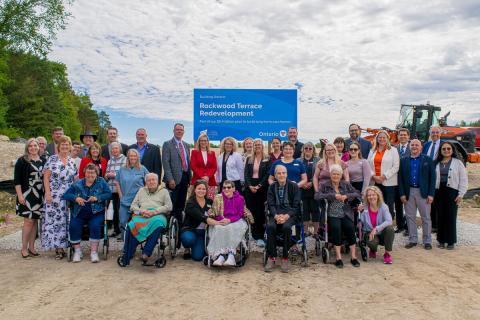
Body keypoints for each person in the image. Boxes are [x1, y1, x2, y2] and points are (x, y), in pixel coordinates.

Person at [62, 164, 112, 262]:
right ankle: (77, 251)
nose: (90, 175)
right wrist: (76, 198)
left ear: (96, 173)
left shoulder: (101, 181)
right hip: (79, 212)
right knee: (74, 225)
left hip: (96, 212)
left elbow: (108, 194)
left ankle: (94, 252)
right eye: (88, 172)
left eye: (92, 172)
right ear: (84, 173)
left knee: (95, 225)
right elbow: (66, 195)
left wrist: (97, 198)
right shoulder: (78, 183)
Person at [315, 164, 361, 268]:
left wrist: (347, 196)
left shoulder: (345, 184)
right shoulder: (325, 185)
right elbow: (317, 196)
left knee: (350, 227)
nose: (336, 176)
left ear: (341, 175)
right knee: (336, 228)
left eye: (338, 174)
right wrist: (333, 196)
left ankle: (353, 257)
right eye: (334, 174)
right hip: (331, 213)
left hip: (345, 212)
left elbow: (358, 193)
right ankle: (338, 258)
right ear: (330, 175)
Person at [121, 173, 173, 265]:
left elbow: (169, 206)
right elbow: (133, 206)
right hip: (142, 214)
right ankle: (128, 254)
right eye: (149, 180)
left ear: (158, 181)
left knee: (158, 222)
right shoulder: (141, 190)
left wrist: (155, 211)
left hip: (157, 215)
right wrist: (141, 211)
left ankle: (146, 253)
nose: (151, 182)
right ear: (146, 182)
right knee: (132, 224)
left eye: (154, 180)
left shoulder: (164, 191)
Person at [42, 135, 77, 259]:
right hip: (54, 195)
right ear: (59, 146)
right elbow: (45, 177)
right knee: (55, 221)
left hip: (68, 196)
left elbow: (75, 179)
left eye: (67, 144)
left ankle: (67, 244)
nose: (65, 146)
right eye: (63, 144)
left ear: (70, 147)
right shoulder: (52, 159)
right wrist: (48, 193)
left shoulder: (72, 161)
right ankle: (58, 248)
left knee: (66, 220)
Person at [398, 139, 436, 250]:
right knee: (410, 217)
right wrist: (402, 194)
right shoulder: (404, 160)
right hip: (408, 191)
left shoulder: (428, 160)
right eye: (412, 145)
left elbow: (432, 178)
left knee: (426, 217)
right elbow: (400, 179)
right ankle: (413, 239)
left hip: (423, 192)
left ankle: (427, 241)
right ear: (410, 147)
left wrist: (431, 194)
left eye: (417, 145)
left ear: (421, 147)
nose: (414, 146)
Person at [264, 165, 301, 273]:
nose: (281, 175)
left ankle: (285, 257)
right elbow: (270, 204)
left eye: (283, 173)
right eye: (279, 173)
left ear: (287, 174)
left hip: (290, 214)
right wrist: (275, 216)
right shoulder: (271, 187)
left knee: (286, 227)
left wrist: (286, 216)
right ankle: (272, 257)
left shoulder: (294, 186)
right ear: (275, 175)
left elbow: (296, 205)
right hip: (275, 214)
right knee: (270, 226)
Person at [207, 180, 252, 266]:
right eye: (224, 187)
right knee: (218, 228)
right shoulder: (218, 198)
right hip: (222, 219)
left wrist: (230, 220)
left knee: (231, 228)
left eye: (229, 187)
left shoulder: (240, 198)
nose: (226, 189)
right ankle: (221, 256)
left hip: (236, 220)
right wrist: (222, 220)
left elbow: (240, 214)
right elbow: (215, 213)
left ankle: (231, 255)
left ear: (233, 188)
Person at [14, 138, 46, 259]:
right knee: (28, 221)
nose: (33, 148)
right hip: (27, 194)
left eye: (35, 145)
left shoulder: (43, 160)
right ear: (27, 148)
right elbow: (17, 180)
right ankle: (23, 248)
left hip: (39, 195)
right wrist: (20, 195)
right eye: (30, 146)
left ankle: (32, 248)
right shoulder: (22, 161)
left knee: (35, 221)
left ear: (39, 147)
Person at [435, 141, 468, 250]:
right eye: (444, 149)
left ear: (452, 150)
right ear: (440, 151)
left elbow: (463, 179)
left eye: (448, 148)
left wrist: (461, 194)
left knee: (450, 216)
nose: (446, 150)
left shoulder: (458, 163)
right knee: (440, 216)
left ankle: (450, 241)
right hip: (439, 191)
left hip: (452, 191)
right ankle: (441, 240)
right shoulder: (437, 163)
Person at [116, 149, 149, 240]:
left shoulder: (142, 169)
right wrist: (120, 195)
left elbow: (149, 181)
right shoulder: (122, 169)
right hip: (125, 199)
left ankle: (137, 240)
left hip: (138, 201)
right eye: (131, 156)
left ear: (138, 157)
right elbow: (117, 182)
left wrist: (145, 193)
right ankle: (125, 240)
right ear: (128, 157)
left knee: (138, 222)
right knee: (123, 221)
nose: (133, 157)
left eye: (135, 156)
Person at [181, 180, 217, 261]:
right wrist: (217, 223)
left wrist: (212, 214)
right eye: (199, 188)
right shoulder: (190, 203)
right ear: (195, 190)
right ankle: (187, 247)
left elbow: (215, 214)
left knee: (197, 257)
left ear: (206, 190)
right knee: (189, 239)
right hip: (190, 229)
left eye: (203, 189)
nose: (201, 191)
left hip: (202, 233)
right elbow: (201, 217)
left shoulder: (210, 202)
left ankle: (199, 247)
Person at [162, 123, 191, 223]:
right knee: (172, 205)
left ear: (183, 132)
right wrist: (170, 179)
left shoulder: (186, 145)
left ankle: (179, 226)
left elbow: (188, 162)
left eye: (181, 130)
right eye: (177, 129)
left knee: (181, 204)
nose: (179, 131)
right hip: (173, 179)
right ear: (173, 131)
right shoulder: (167, 144)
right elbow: (166, 163)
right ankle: (170, 226)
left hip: (185, 177)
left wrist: (189, 178)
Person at [244, 139, 271, 247]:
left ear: (262, 146)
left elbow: (268, 174)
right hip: (250, 188)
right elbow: (246, 174)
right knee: (251, 211)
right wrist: (250, 185)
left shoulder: (267, 158)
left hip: (262, 187)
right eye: (256, 144)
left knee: (260, 212)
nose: (257, 146)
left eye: (259, 144)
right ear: (253, 146)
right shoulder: (248, 159)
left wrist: (259, 185)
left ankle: (260, 236)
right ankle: (252, 234)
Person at [367, 130, 399, 219]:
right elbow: (368, 165)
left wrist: (383, 176)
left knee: (388, 206)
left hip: (388, 182)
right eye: (379, 137)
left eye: (384, 137)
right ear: (377, 139)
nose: (381, 139)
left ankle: (389, 227)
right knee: (376, 205)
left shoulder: (393, 150)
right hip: (375, 182)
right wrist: (373, 176)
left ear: (387, 139)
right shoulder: (372, 150)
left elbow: (396, 166)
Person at [358, 186, 395, 264]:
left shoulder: (383, 206)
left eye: (374, 195)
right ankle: (373, 249)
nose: (371, 197)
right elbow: (361, 224)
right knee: (372, 243)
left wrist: (376, 229)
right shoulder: (365, 208)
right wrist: (360, 212)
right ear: (366, 197)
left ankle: (387, 254)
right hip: (370, 233)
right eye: (369, 195)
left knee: (390, 229)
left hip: (381, 233)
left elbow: (389, 221)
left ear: (378, 195)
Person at [422, 125, 444, 233]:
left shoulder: (444, 145)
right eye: (433, 133)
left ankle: (438, 225)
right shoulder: (427, 145)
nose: (434, 134)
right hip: (427, 176)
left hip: (439, 175)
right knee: (430, 200)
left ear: (440, 133)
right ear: (430, 134)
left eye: (437, 132)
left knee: (438, 201)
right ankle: (432, 224)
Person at [297, 142, 320, 236]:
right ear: (303, 149)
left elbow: (320, 174)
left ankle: (315, 232)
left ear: (313, 150)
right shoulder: (298, 160)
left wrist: (311, 182)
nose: (308, 150)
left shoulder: (318, 160)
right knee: (304, 210)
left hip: (314, 188)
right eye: (306, 148)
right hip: (302, 189)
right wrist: (303, 184)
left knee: (315, 210)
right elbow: (296, 174)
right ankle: (306, 232)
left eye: (310, 148)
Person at [105, 142, 127, 237]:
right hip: (111, 189)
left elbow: (124, 174)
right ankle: (116, 230)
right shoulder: (110, 161)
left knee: (120, 210)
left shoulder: (125, 159)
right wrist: (107, 175)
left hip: (120, 190)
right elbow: (106, 174)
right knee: (113, 210)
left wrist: (113, 175)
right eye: (112, 149)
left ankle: (122, 231)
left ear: (120, 149)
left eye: (116, 148)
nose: (114, 150)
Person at [190, 133, 217, 199]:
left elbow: (214, 167)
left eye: (205, 140)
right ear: (199, 142)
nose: (203, 142)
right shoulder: (194, 152)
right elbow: (193, 166)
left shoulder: (212, 153)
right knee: (196, 201)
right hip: (197, 180)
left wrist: (207, 176)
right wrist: (202, 176)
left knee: (209, 200)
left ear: (207, 142)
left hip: (210, 180)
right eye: (201, 140)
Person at [394, 128, 411, 234]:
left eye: (405, 135)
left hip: (408, 180)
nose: (403, 136)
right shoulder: (394, 148)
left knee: (409, 205)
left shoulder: (412, 147)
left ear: (408, 136)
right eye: (401, 135)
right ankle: (400, 225)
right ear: (398, 136)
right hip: (396, 180)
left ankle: (409, 227)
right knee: (398, 204)